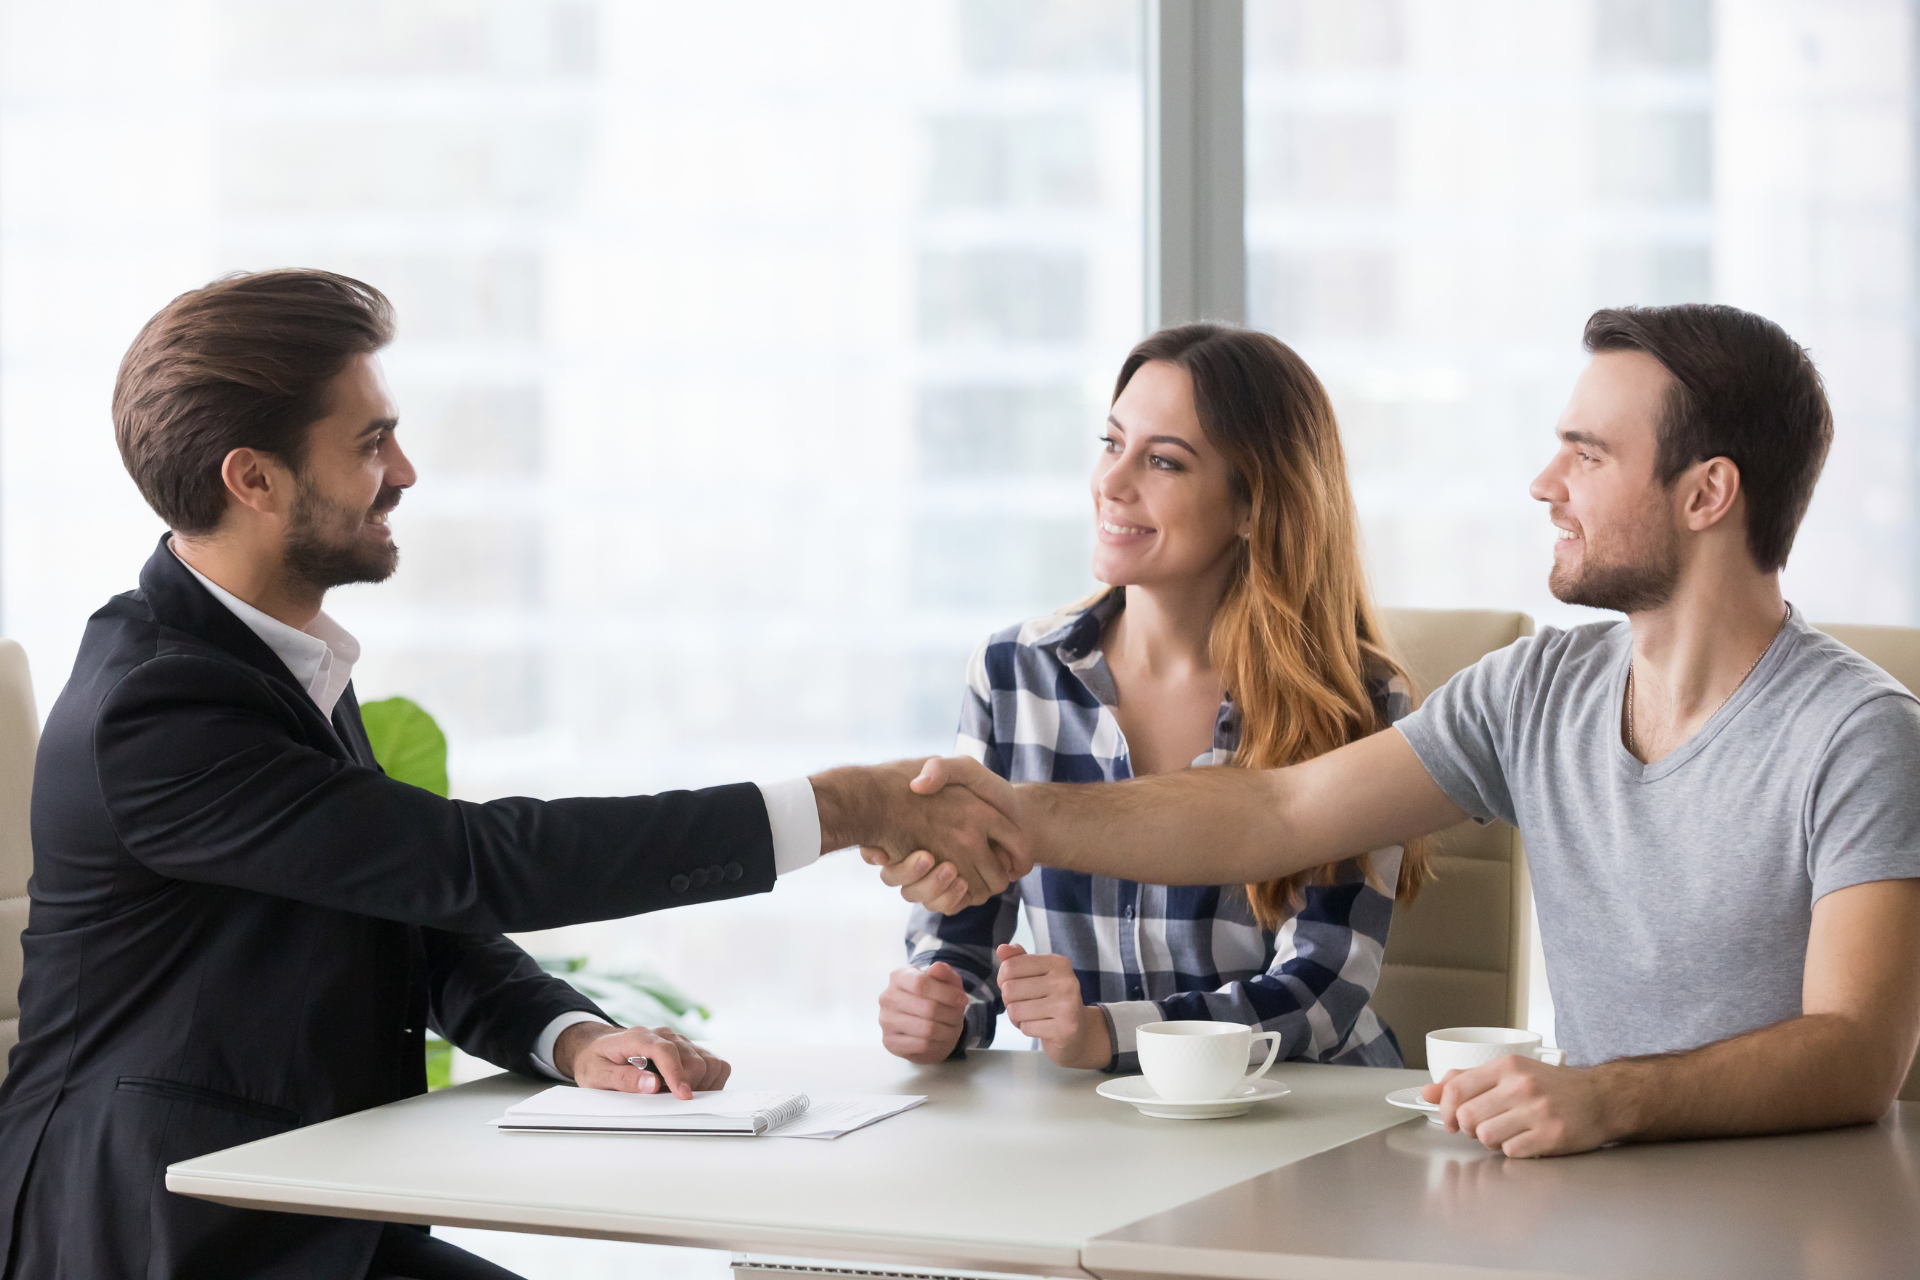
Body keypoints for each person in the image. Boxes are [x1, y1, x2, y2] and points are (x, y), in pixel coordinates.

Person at [0, 270, 1028, 1280]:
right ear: (252, 478)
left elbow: (408, 907)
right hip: (160, 1232)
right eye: (369, 441)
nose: (404, 469)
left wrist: (572, 1036)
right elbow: (474, 862)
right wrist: (844, 804)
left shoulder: (271, 655)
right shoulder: (159, 707)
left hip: (310, 1215)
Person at [890, 303, 1920, 1158]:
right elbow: (1281, 807)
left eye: (1587, 453)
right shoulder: (1535, 691)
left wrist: (1604, 1096)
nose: (1544, 482)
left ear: (1707, 493)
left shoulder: (1860, 734)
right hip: (1596, 1188)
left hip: (1793, 1208)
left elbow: (1857, 1052)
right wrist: (1014, 814)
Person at [875, 325, 1422, 1075]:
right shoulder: (1013, 675)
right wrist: (941, 1005)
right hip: (1095, 1130)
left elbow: (1321, 991)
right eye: (1111, 442)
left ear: (1254, 505)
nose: (1113, 481)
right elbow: (960, 930)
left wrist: (1110, 1034)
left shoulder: (1355, 703)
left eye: (1163, 460)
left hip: (1303, 1118)